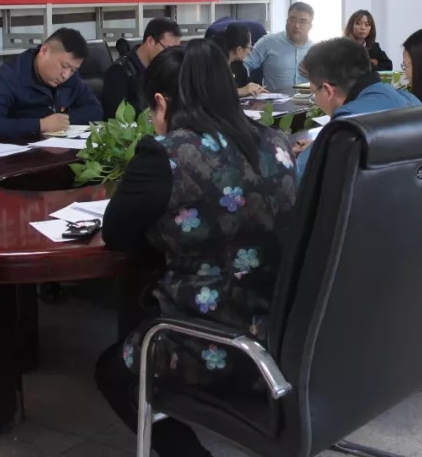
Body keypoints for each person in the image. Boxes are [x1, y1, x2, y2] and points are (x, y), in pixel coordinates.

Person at [95, 40, 297, 457]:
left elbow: (116, 234)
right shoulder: (275, 142)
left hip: (209, 340)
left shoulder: (165, 154)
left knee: (112, 373)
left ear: (160, 103)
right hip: (281, 332)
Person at [294, 37, 420, 181]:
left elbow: (295, 181)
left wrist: (314, 151)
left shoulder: (347, 126)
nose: (315, 99)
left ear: (328, 91)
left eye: (314, 92)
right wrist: (318, 146)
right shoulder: (411, 100)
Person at [0, 28, 102, 141]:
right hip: (17, 154)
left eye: (73, 70)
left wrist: (62, 121)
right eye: (64, 66)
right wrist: (40, 125)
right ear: (44, 51)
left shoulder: (69, 77)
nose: (66, 75)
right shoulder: (9, 77)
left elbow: (95, 109)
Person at [102, 17, 182, 118]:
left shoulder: (166, 69)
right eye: (167, 49)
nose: (170, 55)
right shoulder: (119, 72)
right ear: (150, 41)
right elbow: (117, 118)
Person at [243, 2, 314, 92]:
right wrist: (244, 88)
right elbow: (245, 64)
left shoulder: (315, 51)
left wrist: (315, 77)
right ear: (286, 21)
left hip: (307, 100)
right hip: (273, 100)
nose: (296, 26)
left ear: (310, 26)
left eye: (302, 22)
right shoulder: (268, 42)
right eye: (292, 20)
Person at [211, 22, 265, 98]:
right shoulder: (211, 65)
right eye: (249, 47)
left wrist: (253, 88)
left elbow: (243, 86)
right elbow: (213, 94)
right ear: (239, 49)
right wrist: (242, 91)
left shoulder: (238, 67)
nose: (250, 52)